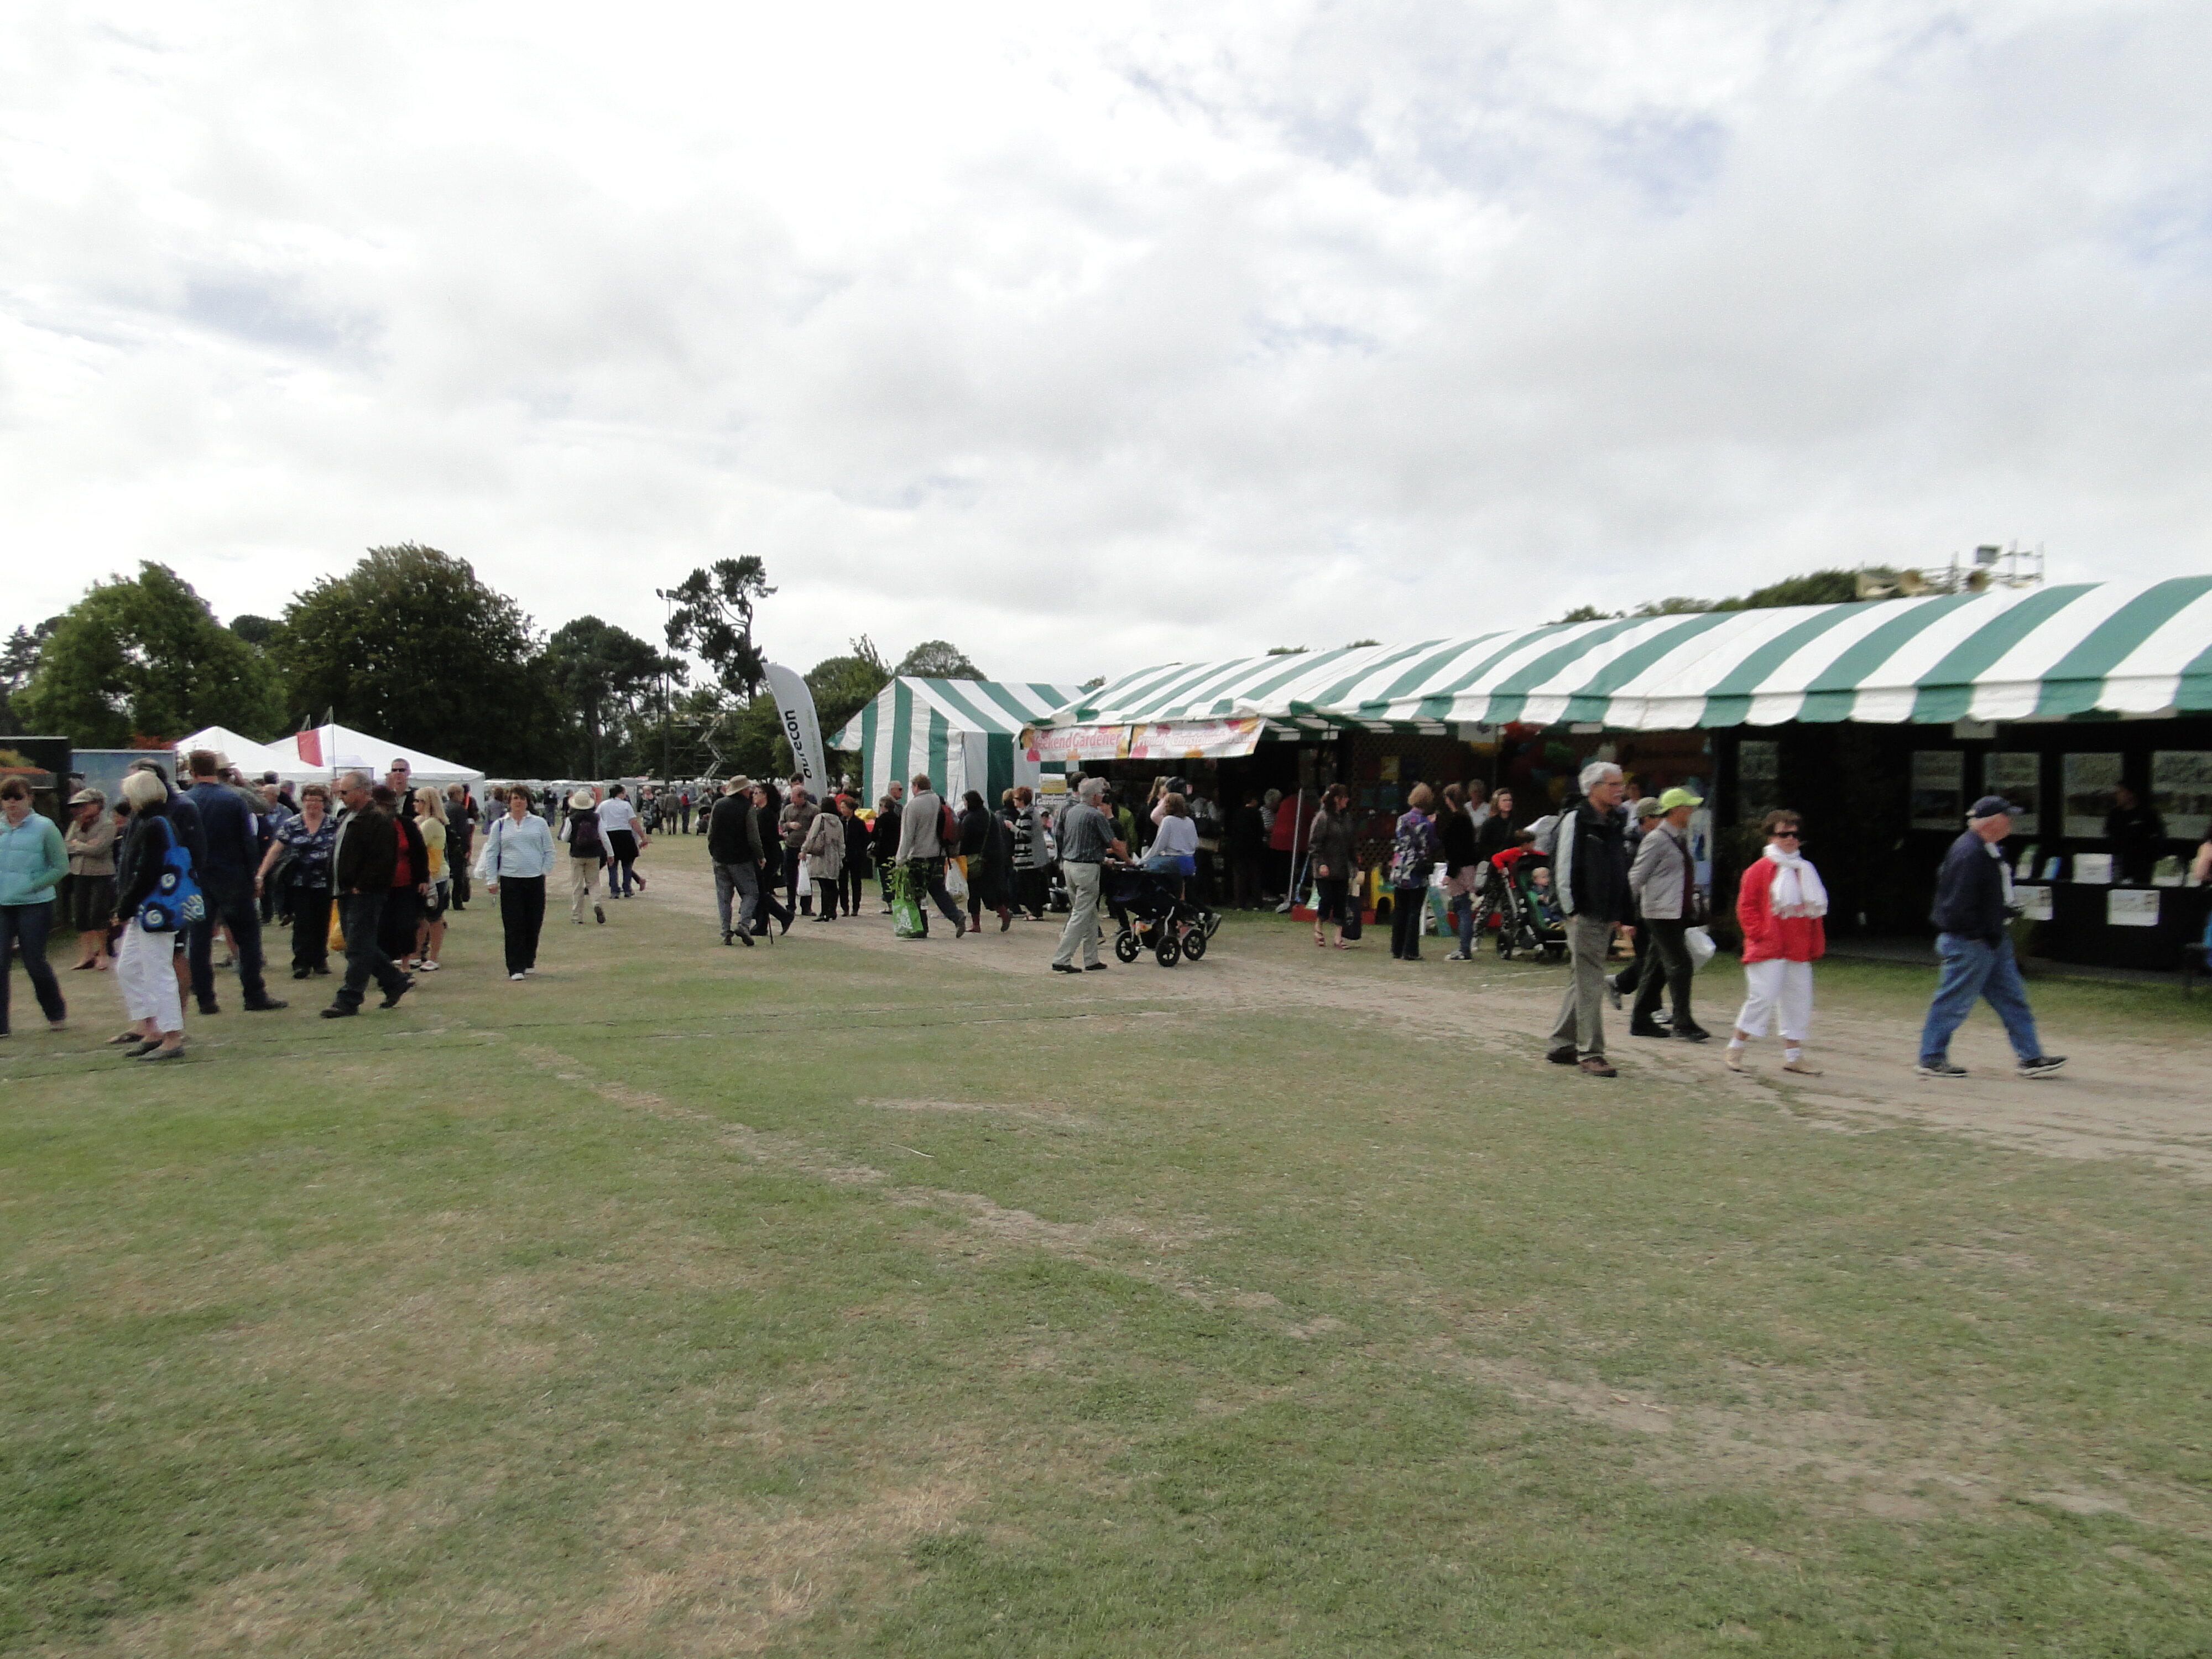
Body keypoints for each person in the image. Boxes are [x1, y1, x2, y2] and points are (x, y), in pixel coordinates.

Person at [1916, 796, 2066, 1081]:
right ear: (1993, 821)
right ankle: (1931, 1057)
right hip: (1972, 942)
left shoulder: (1984, 849)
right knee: (1952, 1002)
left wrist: (2000, 915)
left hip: (1991, 939)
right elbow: (1956, 906)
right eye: (2008, 817)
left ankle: (2031, 1057)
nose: (2012, 822)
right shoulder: (1969, 853)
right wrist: (1978, 935)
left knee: (2013, 999)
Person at [1546, 762, 1633, 1077]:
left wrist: (1620, 913)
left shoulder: (1612, 821)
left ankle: (1562, 1043)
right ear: (1593, 787)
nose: (1619, 789)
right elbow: (1563, 867)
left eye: (1620, 784)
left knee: (1582, 978)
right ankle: (1591, 1053)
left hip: (1601, 913)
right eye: (1613, 784)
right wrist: (1572, 911)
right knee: (1591, 982)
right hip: (1583, 913)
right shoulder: (1576, 819)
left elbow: (1617, 870)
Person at [183, 748, 285, 1015]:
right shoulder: (234, 800)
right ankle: (254, 993)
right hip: (233, 876)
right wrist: (255, 875)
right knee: (248, 938)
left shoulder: (185, 802)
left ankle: (205, 998)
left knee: (199, 940)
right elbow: (248, 841)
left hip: (198, 878)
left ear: (191, 771)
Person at [1726, 808, 1828, 1075]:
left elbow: (1814, 912)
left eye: (1795, 834)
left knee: (1798, 999)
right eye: (1784, 834)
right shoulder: (1759, 870)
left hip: (1797, 947)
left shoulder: (1805, 870)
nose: (1791, 839)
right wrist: (1760, 934)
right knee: (1762, 997)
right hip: (1768, 947)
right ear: (1771, 837)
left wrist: (1815, 943)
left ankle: (1793, 1055)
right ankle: (1736, 1047)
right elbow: (1746, 907)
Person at [322, 770, 415, 1017]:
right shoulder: (348, 816)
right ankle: (394, 980)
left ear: (363, 791)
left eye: (345, 792)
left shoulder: (378, 820)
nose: (340, 796)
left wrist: (362, 885)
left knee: (358, 947)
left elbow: (383, 859)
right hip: (345, 890)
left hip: (365, 893)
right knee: (357, 944)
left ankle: (349, 998)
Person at [109, 769, 186, 1059]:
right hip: (150, 908)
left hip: (155, 909)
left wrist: (125, 906)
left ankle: (172, 1035)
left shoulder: (154, 825)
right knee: (129, 967)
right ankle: (152, 1027)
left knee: (157, 971)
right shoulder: (157, 822)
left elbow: (148, 873)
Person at [1627, 788, 1709, 1042]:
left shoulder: (1677, 837)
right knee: (1680, 963)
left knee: (1657, 966)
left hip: (1674, 910)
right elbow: (1636, 876)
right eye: (1688, 807)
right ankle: (1683, 1023)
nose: (1692, 812)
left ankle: (1640, 1019)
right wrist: (1625, 913)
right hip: (1661, 912)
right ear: (1675, 811)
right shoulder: (1657, 839)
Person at [0, 777, 71, 1038]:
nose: (12, 803)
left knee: (33, 962)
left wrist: (32, 886)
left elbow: (60, 867)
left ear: (29, 798)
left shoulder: (44, 827)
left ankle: (55, 1013)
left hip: (34, 904)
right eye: (6, 798)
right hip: (2, 904)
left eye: (17, 797)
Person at [476, 783, 557, 982]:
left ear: (528, 801)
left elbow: (549, 850)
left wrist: (543, 870)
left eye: (522, 798)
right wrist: (491, 879)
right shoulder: (500, 825)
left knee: (533, 921)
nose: (518, 802)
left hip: (534, 879)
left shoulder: (539, 823)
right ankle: (515, 966)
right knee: (514, 923)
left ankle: (529, 959)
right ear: (509, 802)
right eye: (514, 799)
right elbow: (493, 852)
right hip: (511, 879)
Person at [259, 782, 338, 978]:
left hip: (324, 882)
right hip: (298, 882)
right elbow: (276, 850)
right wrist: (261, 874)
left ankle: (319, 959)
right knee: (303, 922)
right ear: (302, 802)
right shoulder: (292, 824)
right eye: (308, 800)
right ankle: (301, 962)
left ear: (324, 803)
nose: (312, 804)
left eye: (317, 801)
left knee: (322, 922)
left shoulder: (334, 824)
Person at [1050, 778, 1126, 973]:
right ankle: (1062, 958)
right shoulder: (1096, 815)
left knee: (1088, 913)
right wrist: (1129, 860)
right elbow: (1115, 844)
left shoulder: (1072, 812)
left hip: (1070, 865)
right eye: (1101, 793)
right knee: (1081, 914)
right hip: (1087, 869)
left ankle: (1091, 959)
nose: (1102, 796)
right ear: (1095, 796)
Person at [1608, 797, 1666, 1011]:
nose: (1663, 821)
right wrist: (1627, 917)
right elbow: (1629, 883)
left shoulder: (1659, 840)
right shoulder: (1632, 846)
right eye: (1659, 817)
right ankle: (1653, 1007)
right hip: (1640, 911)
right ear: (1646, 819)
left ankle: (1619, 983)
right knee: (1650, 960)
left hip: (1655, 909)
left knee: (1654, 959)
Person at [895, 772, 967, 937]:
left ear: (915, 787)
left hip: (919, 856)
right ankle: (956, 916)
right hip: (939, 854)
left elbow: (907, 835)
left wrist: (901, 859)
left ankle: (921, 927)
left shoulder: (912, 806)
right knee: (938, 889)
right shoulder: (940, 801)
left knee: (917, 893)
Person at [375, 786, 431, 968]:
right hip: (379, 886)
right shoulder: (369, 826)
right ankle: (387, 968)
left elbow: (421, 852)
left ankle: (406, 966)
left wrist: (423, 878)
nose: (387, 808)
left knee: (407, 926)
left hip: (407, 884)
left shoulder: (406, 824)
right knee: (383, 927)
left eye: (390, 804)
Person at [64, 789, 118, 972]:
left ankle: (102, 954)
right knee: (81, 915)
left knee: (98, 914)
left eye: (85, 805)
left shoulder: (108, 825)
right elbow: (66, 846)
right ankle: (86, 955)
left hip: (101, 875)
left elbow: (99, 850)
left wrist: (78, 845)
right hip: (79, 873)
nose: (81, 809)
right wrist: (85, 845)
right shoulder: (76, 824)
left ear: (98, 805)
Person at [707, 776, 764, 946]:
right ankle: (744, 924)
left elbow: (711, 832)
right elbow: (754, 837)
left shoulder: (719, 805)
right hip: (741, 858)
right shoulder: (748, 808)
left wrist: (713, 851)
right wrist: (760, 855)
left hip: (720, 857)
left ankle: (726, 933)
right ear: (744, 790)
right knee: (751, 893)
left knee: (724, 897)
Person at [1387, 783, 1442, 962]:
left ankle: (1396, 948)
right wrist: (1432, 825)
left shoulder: (1402, 819)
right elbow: (1432, 845)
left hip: (1400, 866)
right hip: (1417, 870)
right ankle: (1410, 950)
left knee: (1400, 909)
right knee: (1414, 910)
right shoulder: (1427, 823)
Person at [1307, 783, 1359, 948]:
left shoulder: (1347, 819)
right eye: (1345, 797)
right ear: (1337, 799)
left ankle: (1338, 937)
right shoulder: (1322, 818)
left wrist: (1354, 863)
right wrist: (1321, 863)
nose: (1347, 800)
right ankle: (1318, 925)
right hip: (1325, 868)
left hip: (1342, 867)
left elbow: (1350, 843)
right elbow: (1314, 844)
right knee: (1327, 898)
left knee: (1340, 901)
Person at [1438, 783, 1481, 961]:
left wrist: (1450, 872)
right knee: (1465, 909)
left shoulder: (1456, 821)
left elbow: (1456, 850)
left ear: (1449, 800)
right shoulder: (1467, 819)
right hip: (1469, 867)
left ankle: (1464, 949)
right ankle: (1465, 948)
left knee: (1462, 909)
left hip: (1459, 868)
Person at [961, 791, 1014, 932]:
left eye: (965, 802)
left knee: (974, 893)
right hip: (993, 860)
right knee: (991, 892)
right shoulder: (990, 815)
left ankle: (976, 924)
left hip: (976, 861)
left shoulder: (969, 819)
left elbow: (964, 842)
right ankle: (1004, 913)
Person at [410, 787, 451, 970]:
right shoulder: (420, 821)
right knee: (421, 918)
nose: (415, 804)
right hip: (424, 876)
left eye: (419, 801)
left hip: (435, 876)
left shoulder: (432, 824)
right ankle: (416, 954)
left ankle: (433, 958)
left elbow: (414, 846)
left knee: (435, 917)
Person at [560, 788, 610, 926]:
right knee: (593, 883)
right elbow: (604, 837)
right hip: (594, 854)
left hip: (577, 854)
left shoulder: (571, 819)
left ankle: (577, 916)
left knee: (578, 885)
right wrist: (610, 853)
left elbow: (564, 838)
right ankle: (596, 903)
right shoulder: (596, 818)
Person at [2104, 783, 2165, 885]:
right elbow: (2109, 835)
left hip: (2142, 864)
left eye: (2121, 792)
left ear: (2130, 794)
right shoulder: (2115, 814)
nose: (2117, 796)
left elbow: (2158, 837)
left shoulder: (2147, 814)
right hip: (2120, 863)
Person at [599, 784, 649, 898]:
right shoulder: (626, 805)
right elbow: (633, 822)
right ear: (621, 793)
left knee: (612, 864)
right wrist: (643, 837)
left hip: (609, 835)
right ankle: (627, 889)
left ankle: (614, 890)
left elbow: (597, 819)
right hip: (625, 835)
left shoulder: (603, 805)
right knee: (627, 865)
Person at [801, 796, 846, 919]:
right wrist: (841, 857)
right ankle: (832, 910)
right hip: (834, 855)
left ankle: (824, 912)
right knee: (832, 885)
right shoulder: (838, 821)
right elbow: (842, 842)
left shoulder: (820, 818)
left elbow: (812, 836)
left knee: (823, 885)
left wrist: (804, 850)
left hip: (822, 854)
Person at [778, 780, 818, 914]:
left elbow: (818, 827)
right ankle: (791, 905)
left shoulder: (814, 810)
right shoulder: (788, 809)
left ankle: (806, 907)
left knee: (805, 878)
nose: (791, 799)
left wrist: (810, 833)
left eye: (794, 797)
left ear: (801, 797)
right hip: (790, 846)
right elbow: (781, 824)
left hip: (805, 849)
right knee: (790, 877)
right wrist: (789, 825)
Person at [838, 795, 873, 919]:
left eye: (844, 807)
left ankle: (855, 907)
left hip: (855, 856)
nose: (842, 810)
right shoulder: (840, 822)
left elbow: (865, 839)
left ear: (851, 809)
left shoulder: (859, 823)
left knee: (856, 882)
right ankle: (845, 907)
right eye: (841, 807)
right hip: (842, 856)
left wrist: (860, 851)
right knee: (842, 882)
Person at [872, 790, 905, 914]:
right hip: (895, 851)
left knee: (885, 879)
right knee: (894, 878)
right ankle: (896, 902)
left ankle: (890, 904)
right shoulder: (898, 819)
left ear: (883, 807)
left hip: (883, 852)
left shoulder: (881, 819)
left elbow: (874, 836)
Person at [445, 785, 476, 911]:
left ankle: (445, 900)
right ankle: (457, 902)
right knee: (459, 876)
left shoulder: (444, 806)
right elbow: (464, 831)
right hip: (457, 845)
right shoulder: (461, 809)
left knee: (445, 875)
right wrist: (467, 848)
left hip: (445, 844)